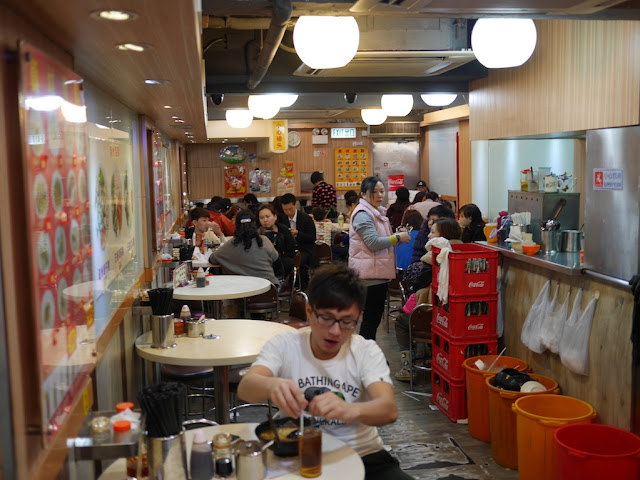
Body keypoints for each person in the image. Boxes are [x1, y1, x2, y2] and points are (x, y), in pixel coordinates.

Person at [237, 264, 414, 480]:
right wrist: (271, 385)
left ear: (358, 317)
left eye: (347, 322)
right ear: (310, 311)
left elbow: (388, 410)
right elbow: (246, 388)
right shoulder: (286, 344)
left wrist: (349, 410)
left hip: (365, 455)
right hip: (298, 453)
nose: (335, 331)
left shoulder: (365, 350)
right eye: (326, 318)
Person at [349, 176, 411, 341]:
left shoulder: (376, 212)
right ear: (363, 194)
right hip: (369, 277)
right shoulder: (363, 214)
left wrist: (393, 238)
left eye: (381, 191)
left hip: (376, 273)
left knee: (372, 320)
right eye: (373, 192)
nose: (379, 195)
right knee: (371, 321)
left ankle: (366, 356)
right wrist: (397, 238)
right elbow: (373, 243)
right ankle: (366, 358)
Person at [208, 209, 281, 286]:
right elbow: (278, 265)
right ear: (254, 224)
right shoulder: (264, 241)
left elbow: (212, 259)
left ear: (236, 226)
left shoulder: (230, 245)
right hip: (268, 291)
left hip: (242, 292)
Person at [278, 193, 317, 286]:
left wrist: (298, 234)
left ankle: (302, 286)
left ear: (295, 205)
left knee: (299, 261)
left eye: (290, 209)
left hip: (305, 249)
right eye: (285, 210)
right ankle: (286, 286)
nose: (288, 212)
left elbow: (312, 238)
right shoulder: (281, 219)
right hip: (288, 249)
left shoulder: (306, 218)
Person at [257, 204, 296, 282]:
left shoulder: (283, 230)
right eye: (262, 218)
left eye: (268, 217)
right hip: (262, 264)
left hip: (282, 262)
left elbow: (291, 249)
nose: (265, 220)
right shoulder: (257, 233)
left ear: (275, 217)